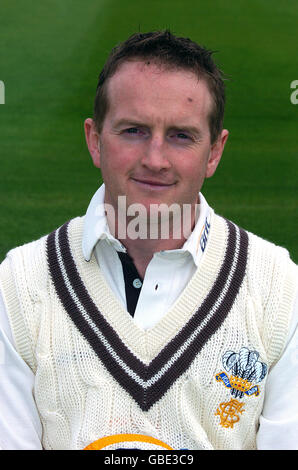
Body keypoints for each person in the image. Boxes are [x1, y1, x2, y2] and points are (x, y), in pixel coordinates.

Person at [0, 30, 297, 451]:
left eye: (180, 135)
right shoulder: (17, 286)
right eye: (134, 130)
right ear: (94, 140)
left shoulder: (281, 291)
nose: (155, 159)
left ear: (214, 151)